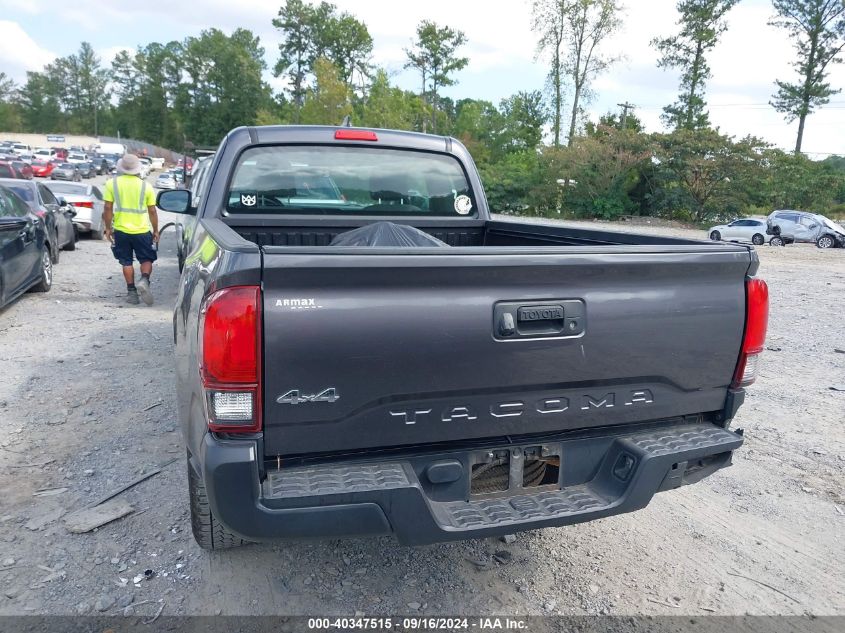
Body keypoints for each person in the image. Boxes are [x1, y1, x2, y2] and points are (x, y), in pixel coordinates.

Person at [102, 154, 159, 305]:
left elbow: (107, 208)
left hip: (121, 230)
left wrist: (108, 228)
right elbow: (152, 210)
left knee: (126, 261)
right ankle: (144, 280)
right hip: (142, 230)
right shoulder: (146, 186)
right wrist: (156, 230)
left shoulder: (111, 184)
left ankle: (132, 292)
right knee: (146, 259)